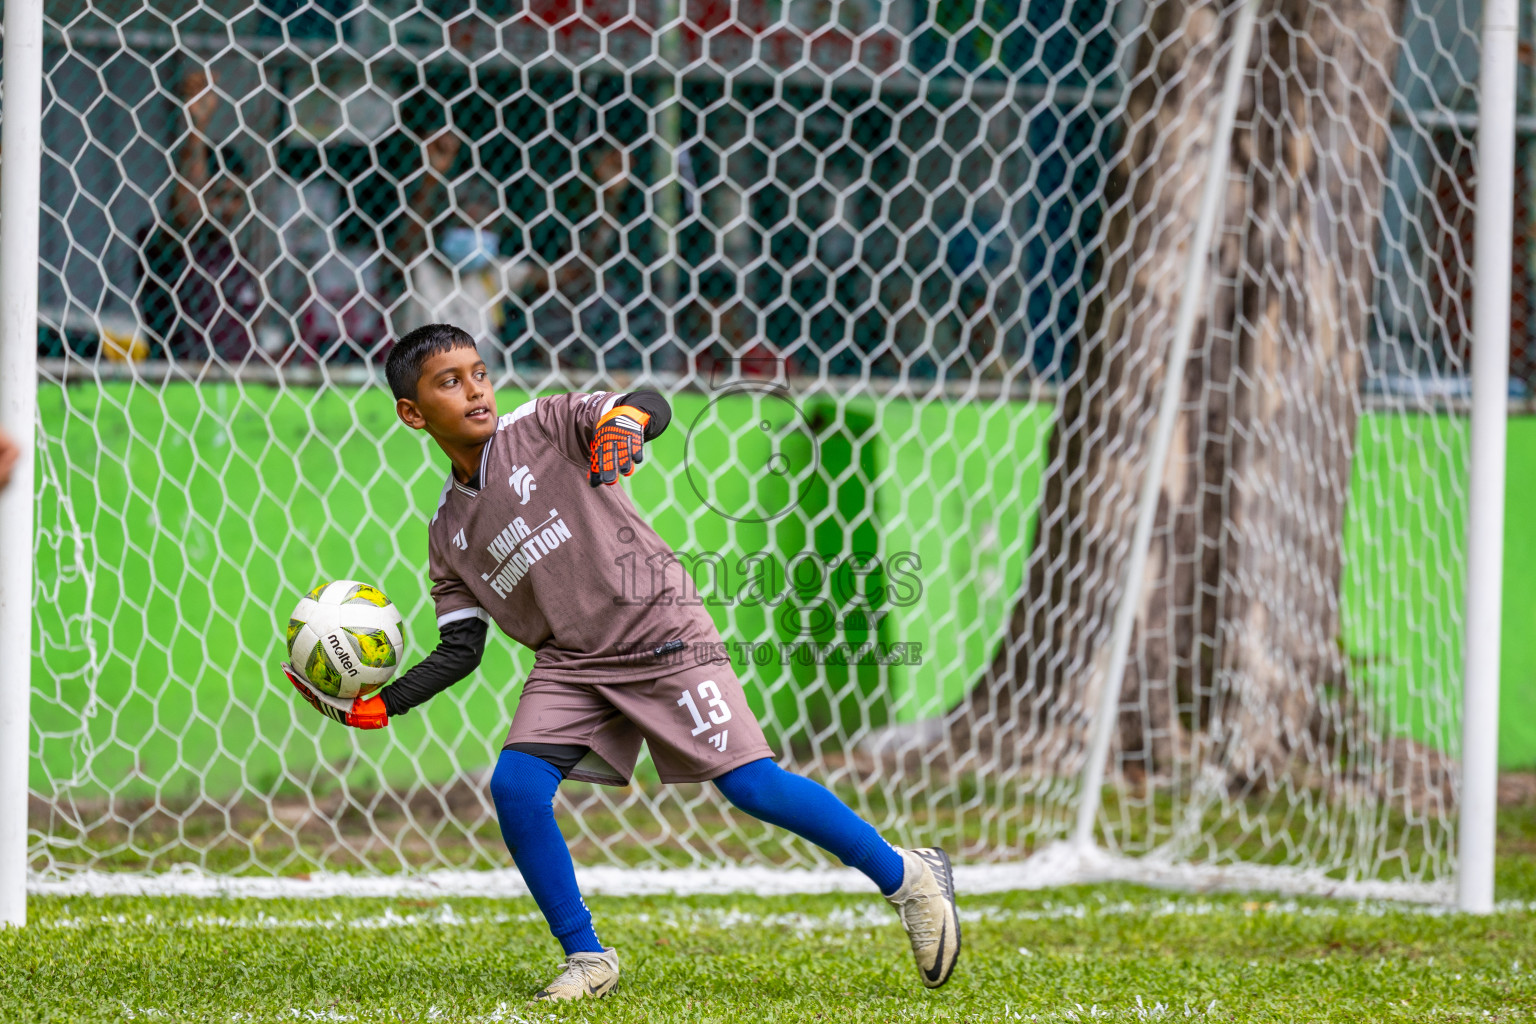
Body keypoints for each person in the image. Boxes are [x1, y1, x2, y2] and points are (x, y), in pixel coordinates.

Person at [281, 323, 960, 1001]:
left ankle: (909, 877)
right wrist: (386, 701)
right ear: (412, 412)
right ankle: (587, 956)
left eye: (479, 372)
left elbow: (642, 405)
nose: (475, 390)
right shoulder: (448, 534)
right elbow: (462, 648)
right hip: (573, 663)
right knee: (516, 787)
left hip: (660, 629)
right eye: (449, 382)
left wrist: (627, 424)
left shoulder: (544, 423)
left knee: (751, 787)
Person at [137, 67, 262, 362]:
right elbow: (189, 216)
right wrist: (196, 129)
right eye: (218, 195)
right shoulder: (170, 247)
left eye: (235, 198)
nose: (226, 208)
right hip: (179, 389)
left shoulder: (235, 258)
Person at [391, 129, 540, 364]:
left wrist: (607, 206)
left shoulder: (493, 273)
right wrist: (431, 178)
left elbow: (569, 280)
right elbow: (403, 247)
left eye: (486, 229)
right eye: (466, 226)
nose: (477, 238)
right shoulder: (419, 268)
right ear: (442, 227)